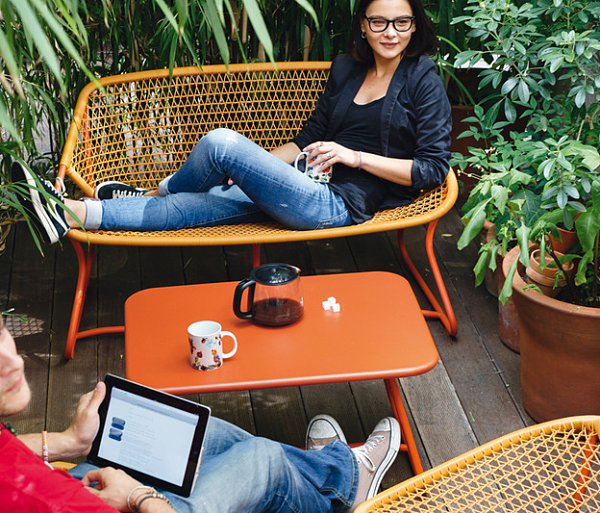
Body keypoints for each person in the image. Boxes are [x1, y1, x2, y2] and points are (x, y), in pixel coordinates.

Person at [13, 0, 451, 245]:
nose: (390, 31)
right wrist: (258, 171)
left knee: (221, 142)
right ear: (363, 24)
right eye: (379, 20)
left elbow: (432, 169)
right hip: (299, 182)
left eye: (401, 21)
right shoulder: (346, 69)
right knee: (190, 209)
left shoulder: (422, 80)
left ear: (414, 27)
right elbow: (307, 140)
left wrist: (353, 156)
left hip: (337, 204)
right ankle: (66, 212)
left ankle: (153, 190)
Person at [0, 312, 402, 513]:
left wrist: (70, 441)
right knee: (261, 458)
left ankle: (340, 477)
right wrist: (137, 495)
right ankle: (344, 481)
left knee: (205, 435)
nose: (12, 361)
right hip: (84, 498)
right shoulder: (46, 502)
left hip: (70, 481)